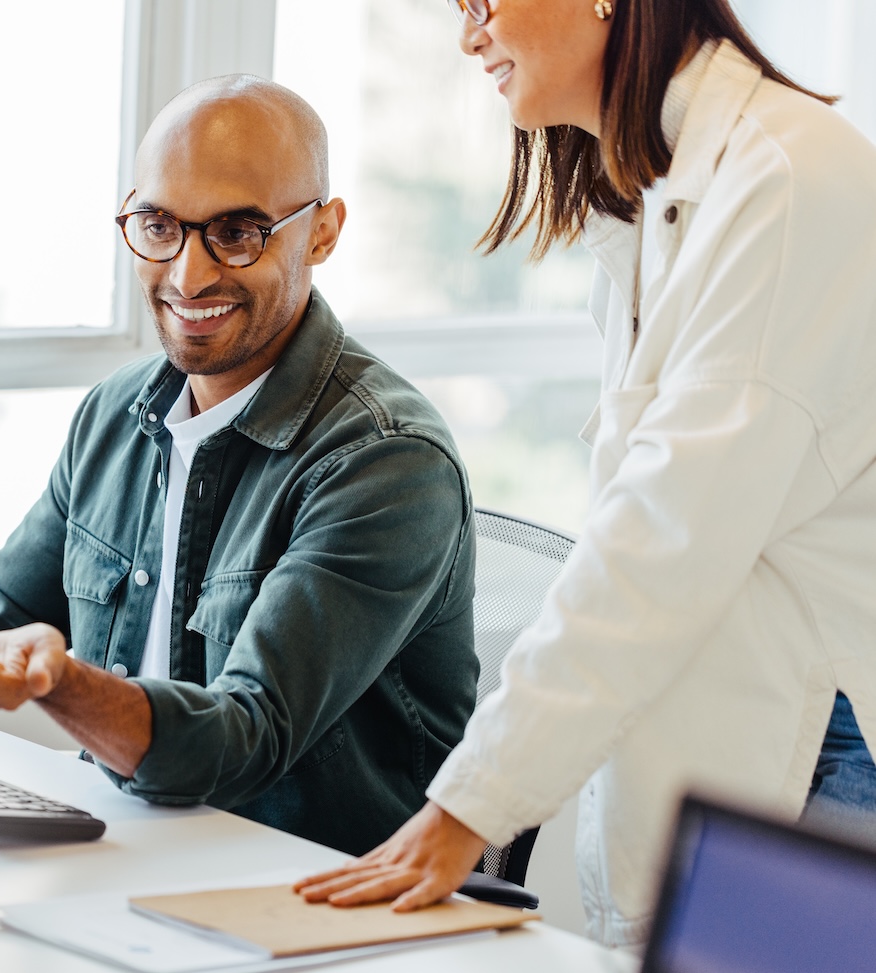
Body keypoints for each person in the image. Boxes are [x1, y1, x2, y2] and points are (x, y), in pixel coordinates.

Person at [296, 0, 876, 947]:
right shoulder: (663, 195)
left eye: (481, 1)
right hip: (746, 746)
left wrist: (466, 810)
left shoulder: (785, 177)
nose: (467, 34)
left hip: (821, 761)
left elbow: (660, 538)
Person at [0, 75, 479, 858]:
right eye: (159, 225)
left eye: (236, 232)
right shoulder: (116, 413)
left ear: (322, 232)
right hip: (126, 860)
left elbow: (244, 740)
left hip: (305, 902)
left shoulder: (387, 462)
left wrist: (57, 682)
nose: (189, 276)